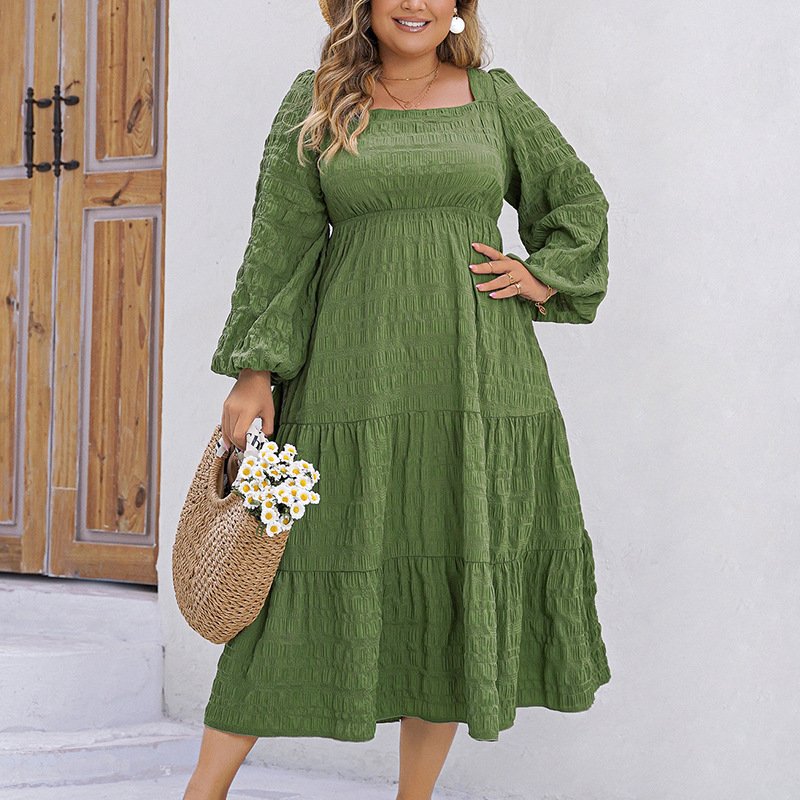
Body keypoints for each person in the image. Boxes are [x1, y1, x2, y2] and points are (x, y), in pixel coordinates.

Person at [183, 1, 612, 798]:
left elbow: (578, 202)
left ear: (458, 9)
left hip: (478, 380)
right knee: (281, 584)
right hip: (345, 382)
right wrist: (254, 372)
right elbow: (280, 245)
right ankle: (201, 792)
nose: (414, 3)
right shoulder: (316, 98)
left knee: (449, 577)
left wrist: (544, 275)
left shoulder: (497, 100)